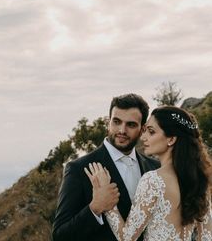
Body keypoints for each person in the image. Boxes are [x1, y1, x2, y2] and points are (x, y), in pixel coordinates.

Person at [85, 106, 212, 241]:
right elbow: (208, 237)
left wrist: (109, 205)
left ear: (171, 139)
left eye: (151, 132)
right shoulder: (199, 181)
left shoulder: (153, 180)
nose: (143, 137)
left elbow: (126, 238)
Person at [52, 93, 160, 241]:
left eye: (131, 124)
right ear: (108, 122)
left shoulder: (155, 167)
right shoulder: (78, 168)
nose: (122, 130)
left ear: (142, 129)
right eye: (116, 121)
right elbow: (60, 235)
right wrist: (95, 208)